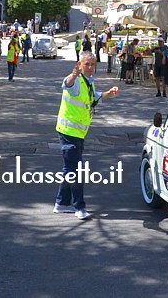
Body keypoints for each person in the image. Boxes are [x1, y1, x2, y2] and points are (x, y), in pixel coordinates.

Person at [53, 51, 119, 220]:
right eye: (87, 64)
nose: (90, 67)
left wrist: (108, 94)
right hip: (69, 132)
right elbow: (66, 84)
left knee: (70, 169)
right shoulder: (75, 80)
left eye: (92, 64)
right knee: (76, 170)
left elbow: (93, 98)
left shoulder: (88, 81)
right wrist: (73, 76)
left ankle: (61, 204)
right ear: (79, 64)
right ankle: (79, 207)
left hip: (78, 133)